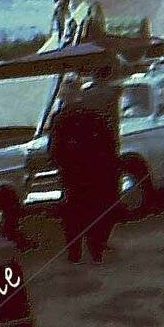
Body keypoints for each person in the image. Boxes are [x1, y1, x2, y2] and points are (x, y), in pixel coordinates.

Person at [49, 68, 121, 263]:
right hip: (93, 173)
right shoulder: (94, 117)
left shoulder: (60, 119)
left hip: (72, 176)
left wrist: (63, 166)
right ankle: (95, 248)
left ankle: (75, 252)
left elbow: (54, 152)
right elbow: (108, 145)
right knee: (95, 210)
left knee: (73, 214)